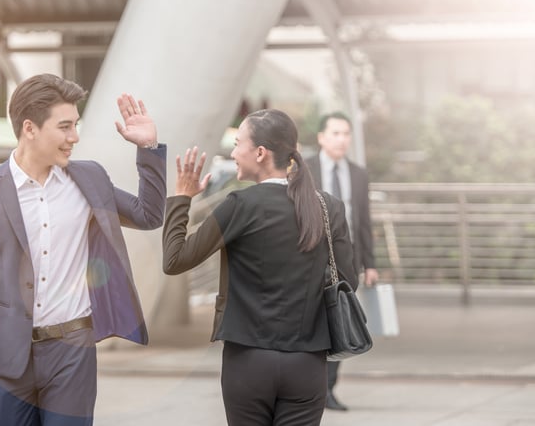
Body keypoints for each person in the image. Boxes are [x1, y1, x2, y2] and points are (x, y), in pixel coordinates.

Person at [0, 73, 167, 426]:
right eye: (65, 126)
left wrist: (148, 149)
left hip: (73, 351)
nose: (75, 137)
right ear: (30, 128)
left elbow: (148, 216)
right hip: (7, 358)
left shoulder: (89, 179)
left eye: (76, 125)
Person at [162, 109, 358, 426]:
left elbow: (175, 260)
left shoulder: (239, 205)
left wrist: (181, 198)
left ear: (260, 152)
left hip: (247, 362)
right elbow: (349, 280)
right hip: (308, 364)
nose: (234, 152)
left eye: (238, 143)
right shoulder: (328, 206)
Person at [305, 111, 379, 412]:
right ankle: (308, 387)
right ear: (321, 137)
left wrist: (370, 263)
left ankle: (328, 390)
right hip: (309, 258)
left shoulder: (359, 174)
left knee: (339, 322)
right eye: (335, 133)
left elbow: (364, 222)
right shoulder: (305, 169)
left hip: (346, 259)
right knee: (310, 322)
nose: (341, 139)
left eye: (346, 133)